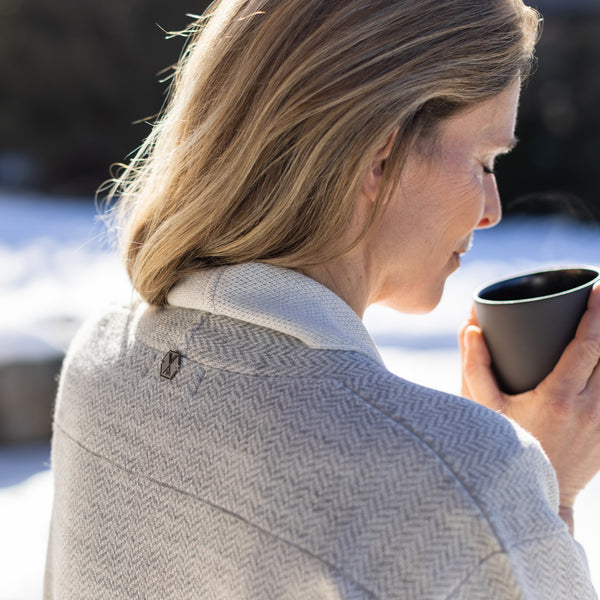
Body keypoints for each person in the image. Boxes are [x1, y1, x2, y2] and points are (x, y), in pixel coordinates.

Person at [44, 0, 600, 598]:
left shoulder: (101, 360)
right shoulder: (461, 487)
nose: (491, 209)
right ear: (380, 158)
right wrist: (539, 495)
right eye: (484, 161)